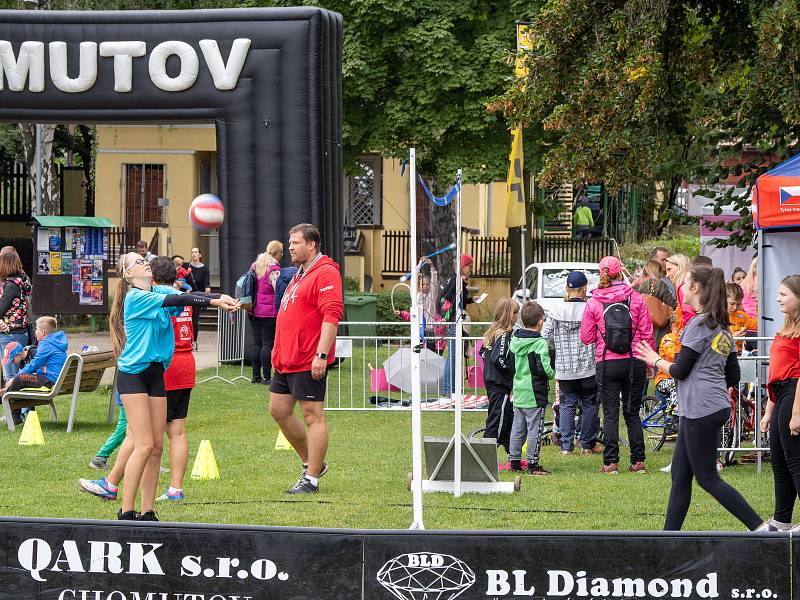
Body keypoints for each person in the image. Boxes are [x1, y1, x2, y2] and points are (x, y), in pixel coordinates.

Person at [635, 265, 770, 531]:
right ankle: (669, 537)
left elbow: (680, 370)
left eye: (684, 283)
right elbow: (731, 374)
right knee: (680, 475)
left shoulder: (698, 325)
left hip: (700, 409)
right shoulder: (720, 325)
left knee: (707, 478)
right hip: (706, 407)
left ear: (695, 288)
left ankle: (759, 528)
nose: (680, 288)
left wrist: (654, 359)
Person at [109, 252, 238, 520]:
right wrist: (215, 300)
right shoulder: (136, 297)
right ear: (128, 274)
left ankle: (147, 513)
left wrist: (215, 298)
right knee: (143, 445)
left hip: (156, 373)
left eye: (143, 259)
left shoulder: (159, 288)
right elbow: (180, 298)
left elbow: (185, 296)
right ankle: (126, 511)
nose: (144, 262)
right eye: (137, 262)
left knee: (156, 446)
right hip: (133, 375)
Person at [269, 224, 343, 495]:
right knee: (278, 410)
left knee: (313, 415)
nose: (290, 247)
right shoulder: (300, 273)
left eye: (296, 243)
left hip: (308, 357)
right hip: (286, 358)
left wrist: (321, 355)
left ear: (311, 245)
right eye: (289, 242)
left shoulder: (325, 272)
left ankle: (310, 479)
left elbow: (331, 316)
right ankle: (313, 462)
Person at [581, 255, 653, 475]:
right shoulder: (637, 298)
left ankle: (611, 462)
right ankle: (638, 461)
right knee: (632, 412)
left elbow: (586, 337)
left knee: (610, 413)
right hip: (634, 361)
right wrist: (649, 361)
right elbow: (647, 332)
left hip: (607, 362)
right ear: (620, 273)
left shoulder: (594, 302)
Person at [542, 271, 601, 455]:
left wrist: (557, 347)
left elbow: (545, 335)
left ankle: (566, 446)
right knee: (589, 404)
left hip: (565, 368)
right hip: (587, 366)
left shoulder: (556, 310)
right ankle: (586, 444)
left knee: (567, 405)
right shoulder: (590, 309)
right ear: (584, 289)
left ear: (567, 289)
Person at [760, 275, 800, 530]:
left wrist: (796, 413)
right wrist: (768, 411)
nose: (778, 299)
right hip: (780, 394)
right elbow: (777, 373)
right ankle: (782, 519)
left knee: (795, 459)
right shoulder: (786, 328)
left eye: (784, 294)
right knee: (779, 459)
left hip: (795, 394)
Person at [508, 301, 554, 475]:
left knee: (517, 428)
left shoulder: (515, 340)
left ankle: (514, 461)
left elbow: (511, 365)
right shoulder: (539, 343)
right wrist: (552, 373)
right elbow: (543, 368)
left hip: (519, 393)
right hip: (534, 395)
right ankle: (533, 464)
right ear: (541, 321)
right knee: (535, 429)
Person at [0, 316, 67, 426]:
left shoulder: (47, 344)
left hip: (49, 380)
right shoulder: (54, 341)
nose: (34, 332)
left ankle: (13, 415)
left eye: (36, 329)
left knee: (19, 378)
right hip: (51, 378)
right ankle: (12, 411)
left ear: (43, 332)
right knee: (19, 379)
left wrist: (14, 378)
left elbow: (34, 364)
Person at [479, 298, 518, 455]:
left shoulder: (492, 332)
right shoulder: (504, 334)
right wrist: (510, 372)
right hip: (499, 385)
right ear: (509, 315)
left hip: (493, 383)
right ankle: (484, 456)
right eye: (516, 313)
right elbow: (498, 358)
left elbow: (483, 353)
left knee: (508, 417)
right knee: (497, 421)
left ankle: (512, 454)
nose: (517, 316)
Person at [440, 254, 481, 396]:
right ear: (462, 266)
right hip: (454, 321)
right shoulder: (454, 279)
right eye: (469, 266)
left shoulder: (459, 280)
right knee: (453, 356)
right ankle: (450, 389)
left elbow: (459, 301)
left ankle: (448, 388)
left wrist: (471, 300)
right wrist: (459, 282)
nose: (470, 269)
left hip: (457, 319)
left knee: (453, 356)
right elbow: (446, 295)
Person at [249, 241, 283, 385]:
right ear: (277, 253)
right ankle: (267, 377)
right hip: (269, 312)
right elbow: (278, 289)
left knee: (257, 344)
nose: (283, 254)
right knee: (267, 344)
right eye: (281, 251)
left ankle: (255, 376)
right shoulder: (274, 268)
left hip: (253, 310)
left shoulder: (255, 265)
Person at [394, 258, 443, 353]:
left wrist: (432, 267)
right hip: (418, 330)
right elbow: (414, 278)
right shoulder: (416, 296)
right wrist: (420, 263)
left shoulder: (431, 296)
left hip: (429, 331)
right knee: (417, 356)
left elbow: (434, 280)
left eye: (427, 284)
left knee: (430, 356)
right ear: (419, 285)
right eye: (423, 284)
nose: (425, 286)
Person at [0, 251, 31, 387]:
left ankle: (15, 408)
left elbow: (1, 309)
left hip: (10, 334)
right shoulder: (22, 282)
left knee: (11, 377)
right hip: (20, 332)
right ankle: (26, 408)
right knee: (20, 374)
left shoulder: (11, 285)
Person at [633, 259, 676, 348]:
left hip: (640, 329)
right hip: (658, 329)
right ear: (657, 271)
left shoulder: (636, 285)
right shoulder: (659, 284)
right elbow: (672, 304)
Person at [666, 253, 694, 339]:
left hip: (688, 338)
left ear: (680, 267)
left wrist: (687, 333)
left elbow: (688, 314)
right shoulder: (691, 286)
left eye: (669, 269)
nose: (667, 275)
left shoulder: (683, 288)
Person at [188, 247, 211, 349]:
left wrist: (207, 288)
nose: (194, 254)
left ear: (200, 255)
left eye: (196, 252)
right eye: (192, 252)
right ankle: (185, 340)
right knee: (185, 318)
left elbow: (206, 281)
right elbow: (181, 277)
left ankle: (194, 340)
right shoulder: (187, 266)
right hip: (187, 295)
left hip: (197, 296)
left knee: (194, 319)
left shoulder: (204, 268)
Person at [727, 282, 758, 354]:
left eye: (738, 304)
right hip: (721, 357)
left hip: (737, 355)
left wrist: (757, 304)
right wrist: (732, 338)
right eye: (732, 303)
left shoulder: (741, 315)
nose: (735, 307)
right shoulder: (715, 316)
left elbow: (758, 325)